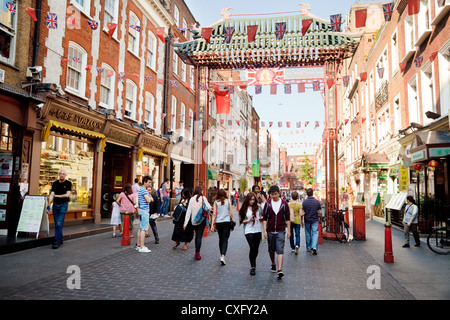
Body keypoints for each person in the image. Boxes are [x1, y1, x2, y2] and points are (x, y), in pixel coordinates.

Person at [262, 185, 290, 279]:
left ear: (279, 193)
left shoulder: (284, 203)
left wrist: (289, 230)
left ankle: (280, 269)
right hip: (270, 230)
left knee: (280, 250)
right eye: (272, 194)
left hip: (281, 230)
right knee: (271, 250)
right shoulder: (268, 203)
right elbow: (265, 218)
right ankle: (273, 263)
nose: (274, 196)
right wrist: (265, 230)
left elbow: (288, 218)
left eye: (275, 194)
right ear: (269, 194)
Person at [184, 186, 212, 260]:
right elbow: (209, 207)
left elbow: (188, 212)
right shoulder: (203, 198)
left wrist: (185, 223)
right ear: (201, 191)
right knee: (199, 237)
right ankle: (197, 253)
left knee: (196, 235)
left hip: (193, 221)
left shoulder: (192, 199)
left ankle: (196, 253)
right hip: (201, 220)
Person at [239, 192, 264, 276]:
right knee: (252, 246)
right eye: (251, 200)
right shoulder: (244, 208)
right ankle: (252, 266)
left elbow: (263, 217)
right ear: (247, 200)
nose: (252, 201)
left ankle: (253, 261)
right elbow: (241, 220)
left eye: (253, 199)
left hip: (257, 229)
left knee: (256, 249)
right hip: (248, 230)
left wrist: (260, 218)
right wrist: (248, 220)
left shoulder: (259, 207)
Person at [47, 169, 72, 249]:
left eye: (63, 174)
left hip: (63, 205)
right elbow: (52, 194)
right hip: (55, 205)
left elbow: (67, 195)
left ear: (66, 175)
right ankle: (60, 239)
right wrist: (48, 206)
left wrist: (57, 196)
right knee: (58, 223)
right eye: (60, 173)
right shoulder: (55, 183)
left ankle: (56, 241)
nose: (61, 175)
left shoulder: (68, 183)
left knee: (58, 223)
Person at [211, 189, 236, 266]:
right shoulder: (228, 201)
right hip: (227, 222)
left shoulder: (216, 202)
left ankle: (221, 254)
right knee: (225, 239)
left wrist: (212, 224)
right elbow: (231, 213)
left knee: (221, 238)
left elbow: (214, 214)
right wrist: (233, 220)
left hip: (219, 223)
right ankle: (223, 255)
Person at [302, 188, 322, 255]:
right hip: (315, 219)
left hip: (307, 219)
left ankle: (308, 247)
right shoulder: (317, 202)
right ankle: (314, 247)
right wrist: (321, 218)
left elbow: (302, 212)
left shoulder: (304, 202)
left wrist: (301, 220)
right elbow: (320, 212)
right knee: (315, 233)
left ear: (307, 194)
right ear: (312, 193)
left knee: (308, 233)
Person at [136, 176, 153, 253]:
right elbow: (148, 200)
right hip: (144, 211)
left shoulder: (140, 190)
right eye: (149, 182)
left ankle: (139, 244)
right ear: (145, 182)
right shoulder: (145, 191)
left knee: (140, 228)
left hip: (141, 210)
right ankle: (142, 246)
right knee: (143, 229)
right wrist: (151, 198)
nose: (150, 184)